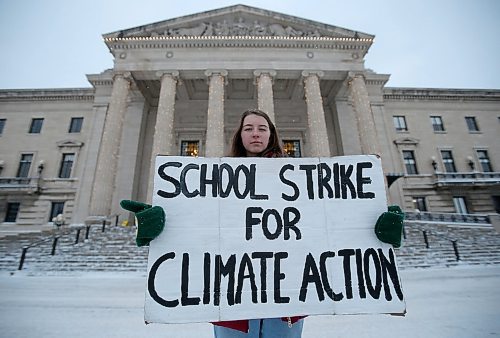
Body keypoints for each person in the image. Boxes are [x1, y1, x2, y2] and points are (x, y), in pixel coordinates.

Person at [121, 109, 404, 338]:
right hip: (230, 308)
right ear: (239, 135)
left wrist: (375, 227)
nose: (255, 133)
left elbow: (329, 224)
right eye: (248, 128)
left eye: (262, 128)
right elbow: (200, 228)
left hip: (287, 305)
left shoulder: (301, 180)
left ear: (271, 135)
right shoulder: (214, 181)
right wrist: (159, 226)